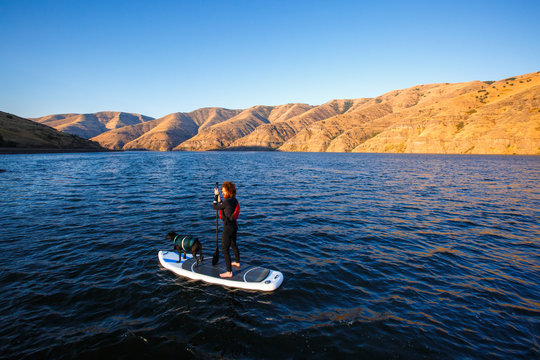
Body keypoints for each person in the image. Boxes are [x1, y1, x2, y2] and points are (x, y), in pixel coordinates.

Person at [213, 181, 241, 278]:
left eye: (224, 191)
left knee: (225, 249)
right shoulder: (234, 200)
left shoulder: (226, 202)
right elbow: (226, 210)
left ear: (229, 191)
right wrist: (221, 201)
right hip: (234, 226)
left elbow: (214, 207)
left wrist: (216, 196)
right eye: (222, 191)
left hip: (227, 228)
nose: (223, 193)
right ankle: (237, 262)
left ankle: (229, 272)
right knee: (233, 244)